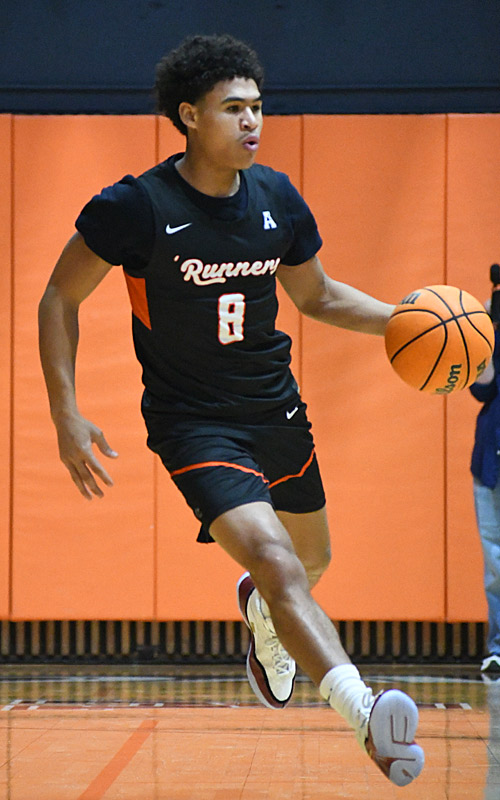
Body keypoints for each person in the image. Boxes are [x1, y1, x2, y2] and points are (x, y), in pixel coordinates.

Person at [38, 33, 424, 786]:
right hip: (192, 421)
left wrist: (408, 320)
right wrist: (66, 413)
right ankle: (366, 712)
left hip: (275, 411)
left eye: (258, 107)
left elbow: (320, 297)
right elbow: (60, 296)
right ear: (188, 115)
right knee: (279, 557)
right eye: (233, 108)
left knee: (309, 562)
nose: (252, 122)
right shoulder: (136, 207)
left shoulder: (277, 197)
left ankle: (264, 620)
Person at [470, 299, 500, 676]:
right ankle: (497, 648)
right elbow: (483, 387)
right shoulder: (494, 333)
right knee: (495, 563)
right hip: (490, 462)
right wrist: (483, 330)